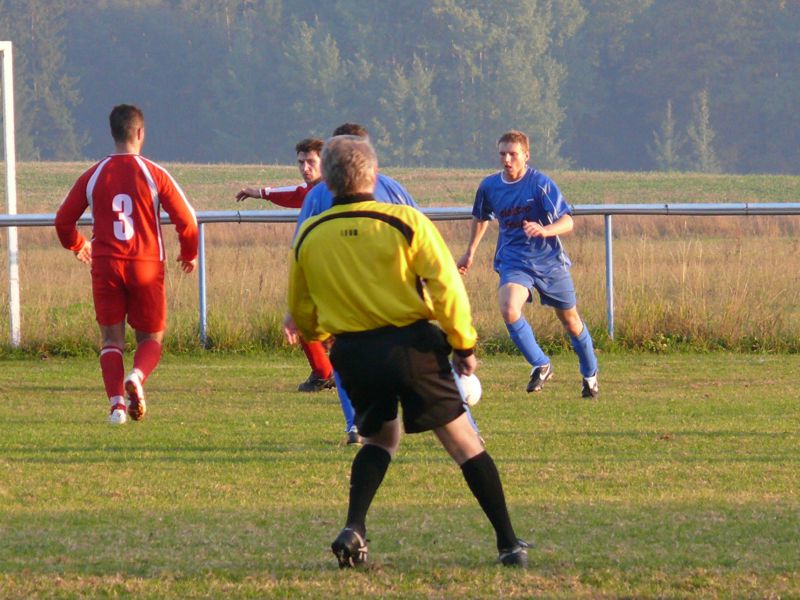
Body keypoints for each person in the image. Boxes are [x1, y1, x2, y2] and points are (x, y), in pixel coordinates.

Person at [288, 134, 528, 568]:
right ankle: (509, 543)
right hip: (409, 348)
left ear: (328, 181)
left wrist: (327, 337)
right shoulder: (404, 221)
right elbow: (446, 286)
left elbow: (302, 309)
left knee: (380, 439)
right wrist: (463, 344)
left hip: (353, 354)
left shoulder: (310, 233)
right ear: (374, 175)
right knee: (464, 443)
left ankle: (354, 527)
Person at [55, 104, 199, 424]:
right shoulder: (153, 173)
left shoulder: (94, 174)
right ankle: (137, 376)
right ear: (140, 133)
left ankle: (117, 406)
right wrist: (189, 252)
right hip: (145, 263)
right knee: (150, 339)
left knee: (111, 340)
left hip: (106, 263)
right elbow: (187, 221)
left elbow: (63, 220)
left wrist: (77, 244)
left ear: (113, 133)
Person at [286, 123, 419, 445]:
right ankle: (462, 429)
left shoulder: (324, 194)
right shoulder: (327, 193)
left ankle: (358, 424)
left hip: (349, 293)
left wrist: (297, 306)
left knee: (349, 357)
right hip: (384, 294)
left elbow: (300, 252)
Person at [457, 130, 599, 398]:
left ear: (526, 156)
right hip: (514, 261)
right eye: (502, 154)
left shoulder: (539, 184)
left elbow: (568, 221)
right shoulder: (489, 186)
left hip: (549, 262)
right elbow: (481, 217)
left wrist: (545, 230)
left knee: (571, 321)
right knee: (509, 308)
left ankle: (590, 375)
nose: (507, 159)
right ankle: (541, 364)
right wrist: (470, 252)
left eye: (513, 154)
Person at [236, 138, 336, 393]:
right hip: (323, 267)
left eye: (311, 162)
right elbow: (294, 193)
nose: (305, 168)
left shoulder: (333, 191)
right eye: (301, 162)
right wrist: (261, 193)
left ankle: (325, 373)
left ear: (325, 162)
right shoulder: (312, 190)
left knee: (306, 318)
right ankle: (328, 371)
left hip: (331, 268)